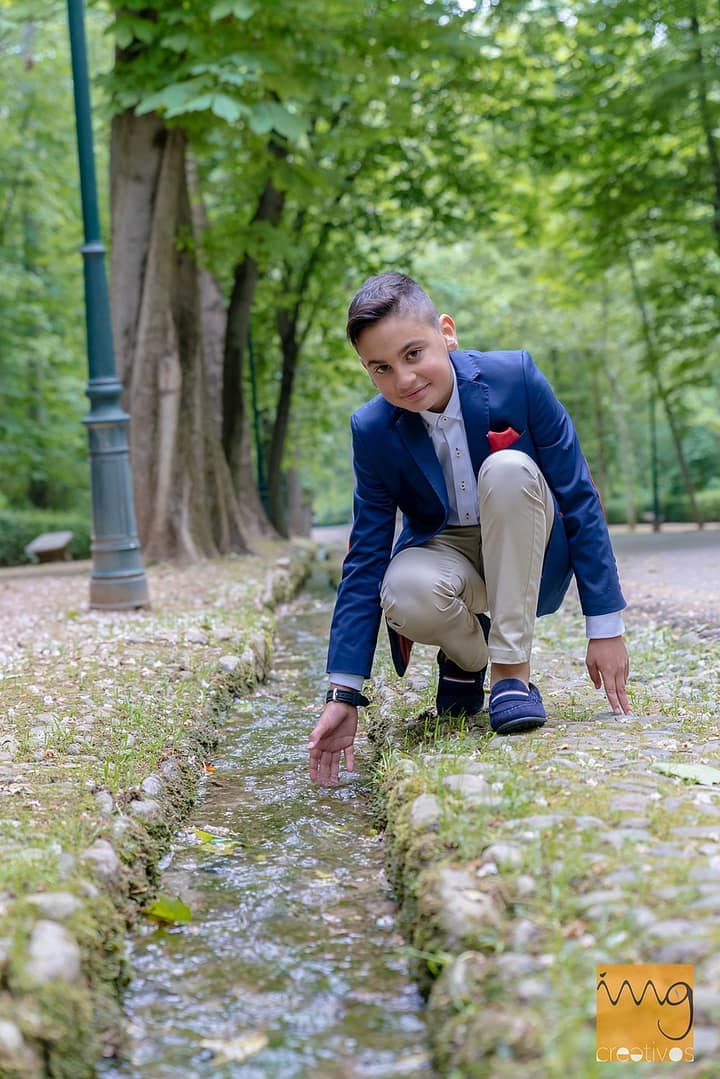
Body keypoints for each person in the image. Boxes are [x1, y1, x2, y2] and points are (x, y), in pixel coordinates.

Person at [308, 272, 630, 786]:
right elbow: (366, 554)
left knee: (507, 469)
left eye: (414, 354)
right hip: (447, 554)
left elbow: (578, 495)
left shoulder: (516, 377)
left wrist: (605, 627)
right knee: (403, 588)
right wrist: (343, 693)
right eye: (382, 369)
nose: (404, 380)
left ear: (447, 332)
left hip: (528, 541)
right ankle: (466, 658)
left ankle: (510, 677)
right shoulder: (372, 430)